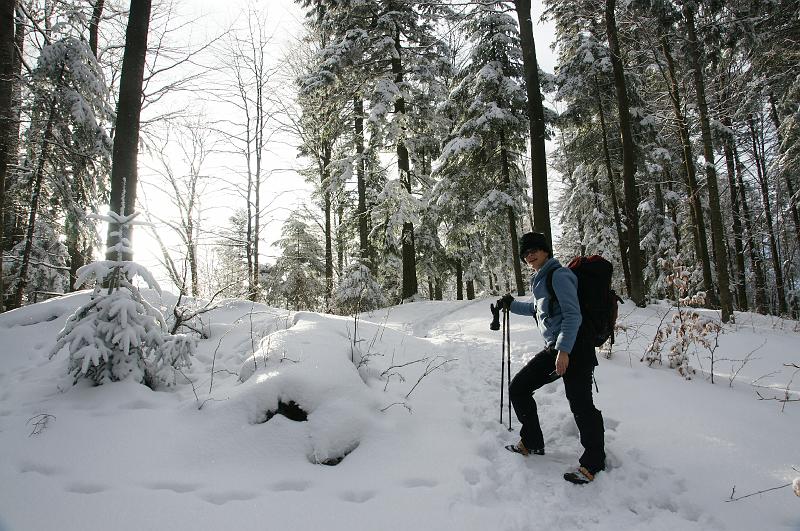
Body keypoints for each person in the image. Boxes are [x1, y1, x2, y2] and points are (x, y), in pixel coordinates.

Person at [498, 232, 606, 484]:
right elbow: (538, 309)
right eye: (525, 253)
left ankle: (594, 462)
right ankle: (533, 442)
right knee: (519, 387)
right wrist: (511, 304)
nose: (529, 255)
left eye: (534, 249)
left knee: (581, 405)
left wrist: (564, 352)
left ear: (546, 250)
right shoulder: (541, 278)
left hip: (574, 348)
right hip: (556, 348)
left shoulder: (560, 275)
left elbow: (572, 315)